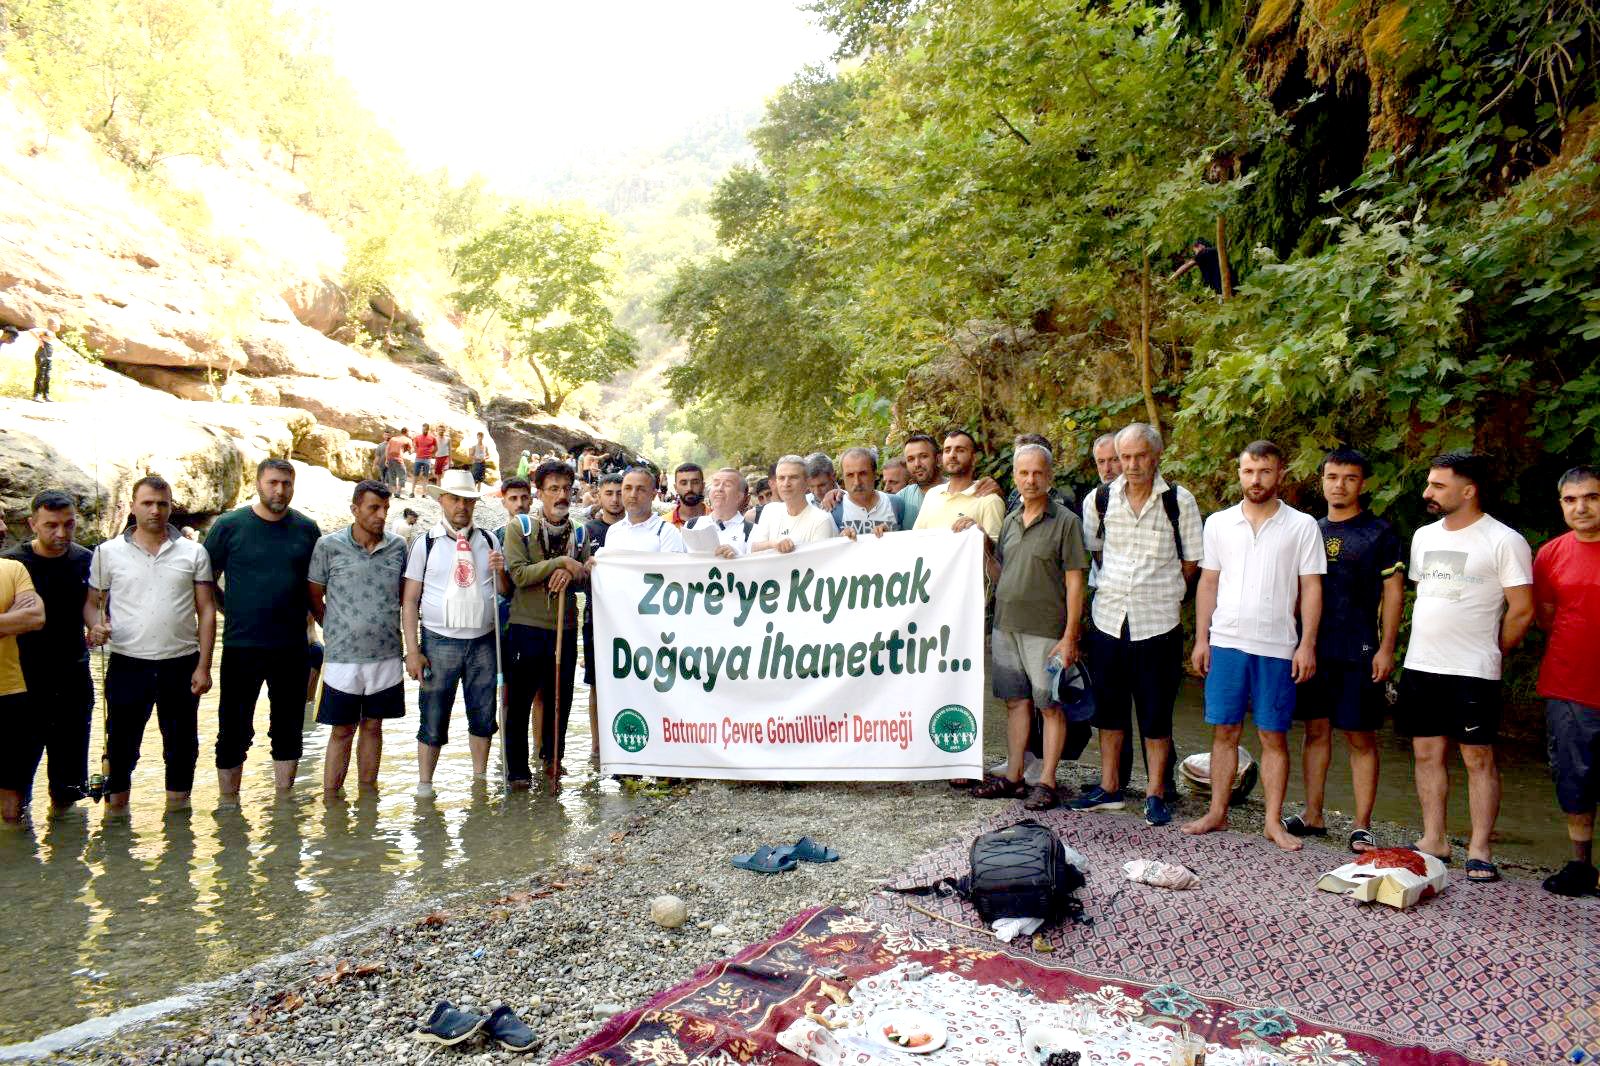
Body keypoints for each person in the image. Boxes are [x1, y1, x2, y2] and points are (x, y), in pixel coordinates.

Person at [1399, 452, 1533, 882]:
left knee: (1477, 757)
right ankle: (1433, 838)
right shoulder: (1423, 536)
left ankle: (1479, 848)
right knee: (1426, 752)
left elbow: (1522, 609)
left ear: (1468, 490)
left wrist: (1495, 650)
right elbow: (1428, 592)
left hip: (1473, 668)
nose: (1427, 493)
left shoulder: (1503, 540)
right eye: (1429, 483)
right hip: (1422, 662)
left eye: (1438, 485)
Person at [1184, 440, 1324, 850]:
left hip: (1279, 645)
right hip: (1226, 642)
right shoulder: (1219, 524)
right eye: (1248, 471)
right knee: (1224, 732)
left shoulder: (1302, 526)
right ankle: (1216, 811)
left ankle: (1272, 822)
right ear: (1239, 473)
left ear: (1280, 473)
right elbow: (1208, 581)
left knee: (1273, 736)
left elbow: (1311, 587)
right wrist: (1201, 637)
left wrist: (1307, 644)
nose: (1255, 480)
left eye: (1264, 471)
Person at [1078, 423, 1203, 823]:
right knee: (1110, 710)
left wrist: (1163, 590)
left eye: (1139, 456)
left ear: (1156, 455)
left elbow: (1191, 563)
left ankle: (1155, 793)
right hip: (1109, 618)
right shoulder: (1099, 499)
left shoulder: (1179, 501)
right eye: (1124, 457)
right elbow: (1095, 551)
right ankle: (1110, 787)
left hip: (1159, 622)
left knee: (1156, 712)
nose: (1131, 465)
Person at [1283, 449, 1404, 852]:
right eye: (1332, 476)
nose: (1340, 485)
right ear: (1322, 481)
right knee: (1315, 731)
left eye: (1349, 478)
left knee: (1359, 736)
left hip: (1360, 648)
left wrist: (1387, 649)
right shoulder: (1308, 529)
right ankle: (1313, 814)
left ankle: (1361, 824)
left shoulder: (1380, 532)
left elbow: (1393, 594)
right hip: (1312, 647)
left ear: (1363, 483)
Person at [87, 476, 216, 813]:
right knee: (121, 746)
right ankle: (116, 822)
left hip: (181, 662)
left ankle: (179, 822)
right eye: (147, 503)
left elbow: (206, 610)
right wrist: (95, 626)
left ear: (171, 507)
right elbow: (91, 602)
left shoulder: (194, 552)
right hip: (128, 662)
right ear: (132, 506)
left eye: (162, 504)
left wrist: (204, 665)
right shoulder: (107, 552)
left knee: (182, 746)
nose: (155, 511)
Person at [972, 444, 1088, 811]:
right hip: (1006, 626)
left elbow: (1075, 582)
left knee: (1050, 705)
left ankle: (1048, 781)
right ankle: (1014, 775)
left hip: (1045, 631)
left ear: (1049, 476)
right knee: (1016, 703)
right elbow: (1001, 572)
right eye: (1024, 473)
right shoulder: (1009, 520)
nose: (1031, 479)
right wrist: (981, 546)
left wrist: (1071, 636)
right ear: (1015, 477)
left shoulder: (1066, 522)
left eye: (1038, 472)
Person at [204, 459, 321, 798]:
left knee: (288, 729)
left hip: (292, 647)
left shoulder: (307, 529)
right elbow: (204, 581)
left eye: (286, 483)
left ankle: (284, 804)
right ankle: (229, 805)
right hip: (243, 645)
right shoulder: (229, 525)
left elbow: (315, 587)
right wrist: (232, 609)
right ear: (258, 483)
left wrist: (315, 629)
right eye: (272, 482)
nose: (279, 490)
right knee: (233, 730)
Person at [403, 468, 507, 795]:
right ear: (442, 501)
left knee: (483, 713)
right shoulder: (426, 544)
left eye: (467, 500)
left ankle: (479, 780)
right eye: (454, 499)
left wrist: (500, 571)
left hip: (483, 641)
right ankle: (424, 785)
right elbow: (409, 601)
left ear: (475, 504)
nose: (461, 506)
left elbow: (503, 591)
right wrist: (413, 650)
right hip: (438, 640)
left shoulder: (489, 540)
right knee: (433, 716)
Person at [307, 480, 407, 795]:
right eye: (373, 508)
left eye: (385, 508)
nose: (381, 515)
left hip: (387, 655)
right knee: (341, 731)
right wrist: (333, 627)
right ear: (354, 509)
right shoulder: (328, 546)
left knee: (374, 727)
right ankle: (331, 803)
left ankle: (368, 799)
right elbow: (313, 594)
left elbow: (405, 597)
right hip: (341, 658)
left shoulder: (398, 547)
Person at [3, 491, 94, 819]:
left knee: (69, 785)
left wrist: (97, 627)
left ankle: (66, 858)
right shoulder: (13, 563)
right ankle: (18, 852)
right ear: (32, 524)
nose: (61, 534)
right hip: (24, 684)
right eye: (51, 526)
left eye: (68, 525)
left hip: (74, 679)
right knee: (14, 781)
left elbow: (93, 608)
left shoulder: (86, 559)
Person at [504, 460, 592, 786]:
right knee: (521, 700)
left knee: (561, 699)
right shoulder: (520, 528)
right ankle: (517, 770)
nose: (561, 495)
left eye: (566, 489)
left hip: (565, 629)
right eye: (553, 489)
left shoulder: (579, 532)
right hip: (526, 627)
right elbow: (518, 574)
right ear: (539, 493)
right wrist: (559, 561)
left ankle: (553, 759)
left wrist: (572, 570)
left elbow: (585, 580)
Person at [1534, 465, 1600, 896]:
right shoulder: (1550, 554)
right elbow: (1546, 616)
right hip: (1569, 685)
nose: (1581, 507)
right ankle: (1581, 866)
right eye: (1571, 500)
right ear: (1561, 505)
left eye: (1591, 497)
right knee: (1574, 778)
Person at [581, 472, 626, 751]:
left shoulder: (637, 530)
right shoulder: (586, 531)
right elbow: (575, 575)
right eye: (608, 493)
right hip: (595, 617)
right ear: (598, 496)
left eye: (620, 492)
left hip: (634, 620)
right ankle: (598, 747)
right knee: (597, 684)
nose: (615, 499)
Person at [0, 550, 45, 822]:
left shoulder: (14, 569)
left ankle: (17, 857)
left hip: (11, 692)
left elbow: (35, 619)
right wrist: (9, 620)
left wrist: (21, 619)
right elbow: (21, 620)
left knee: (12, 791)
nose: (4, 528)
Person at [913, 430, 1004, 540]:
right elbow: (915, 540)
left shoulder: (989, 500)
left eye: (960, 450)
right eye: (947, 450)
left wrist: (977, 532)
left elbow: (996, 553)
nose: (952, 455)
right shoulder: (932, 494)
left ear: (974, 459)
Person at [752, 456, 838, 552]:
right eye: (781, 478)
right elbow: (754, 549)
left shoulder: (821, 520)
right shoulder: (770, 510)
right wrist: (773, 544)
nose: (786, 484)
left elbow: (819, 562)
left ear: (807, 482)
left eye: (793, 478)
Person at [834, 447, 905, 537]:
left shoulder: (896, 504)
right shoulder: (834, 510)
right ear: (843, 478)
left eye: (863, 474)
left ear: (874, 474)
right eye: (850, 475)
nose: (857, 482)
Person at [688, 468, 755, 559]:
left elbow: (755, 566)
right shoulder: (692, 525)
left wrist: (737, 555)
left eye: (727, 485)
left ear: (739, 496)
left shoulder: (752, 531)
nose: (719, 489)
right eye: (716, 484)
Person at [895, 433, 940, 529]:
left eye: (923, 456)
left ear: (938, 459)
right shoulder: (901, 499)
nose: (917, 464)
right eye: (910, 459)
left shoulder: (958, 492)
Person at [32, 317, 59, 402]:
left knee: (47, 376)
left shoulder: (52, 333)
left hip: (48, 357)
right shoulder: (45, 331)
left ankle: (46, 395)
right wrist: (39, 340)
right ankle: (36, 395)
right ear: (53, 325)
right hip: (42, 355)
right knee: (41, 375)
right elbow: (32, 331)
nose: (58, 326)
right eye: (57, 324)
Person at [410, 424, 438, 498]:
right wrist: (416, 451)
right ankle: (412, 492)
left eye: (425, 429)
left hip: (427, 459)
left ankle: (424, 493)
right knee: (415, 475)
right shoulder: (418, 437)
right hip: (418, 458)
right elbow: (414, 445)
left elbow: (436, 447)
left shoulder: (432, 438)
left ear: (428, 429)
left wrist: (431, 454)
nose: (424, 431)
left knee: (425, 476)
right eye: (423, 429)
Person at [385, 429, 413, 495]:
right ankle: (398, 492)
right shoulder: (408, 440)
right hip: (398, 459)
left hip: (390, 459)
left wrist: (386, 459)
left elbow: (387, 449)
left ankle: (392, 492)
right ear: (407, 432)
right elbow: (410, 452)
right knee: (403, 475)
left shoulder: (393, 439)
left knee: (392, 476)